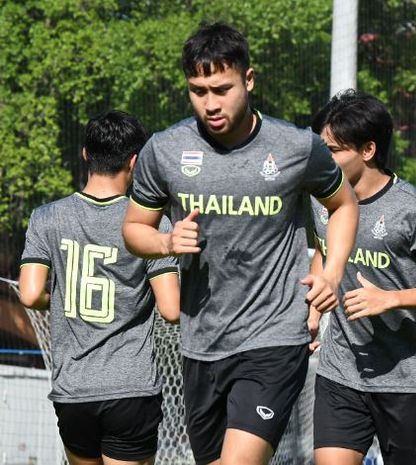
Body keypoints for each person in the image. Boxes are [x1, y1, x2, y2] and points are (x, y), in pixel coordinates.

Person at [121, 23, 358, 465]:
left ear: (248, 80)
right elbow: (134, 228)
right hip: (200, 343)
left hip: (273, 336)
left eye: (221, 88)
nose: (210, 103)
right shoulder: (164, 150)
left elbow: (344, 204)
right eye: (198, 90)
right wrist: (166, 241)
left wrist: (332, 272)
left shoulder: (296, 147)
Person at [309, 89, 416, 465]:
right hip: (341, 371)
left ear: (368, 150)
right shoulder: (319, 202)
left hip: (406, 378)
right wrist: (313, 313)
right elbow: (323, 252)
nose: (322, 159)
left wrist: (391, 298)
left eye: (332, 150)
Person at [18, 110, 180, 465]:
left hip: (73, 390)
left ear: (85, 154)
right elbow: (170, 309)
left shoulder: (46, 217)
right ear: (135, 162)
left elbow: (30, 294)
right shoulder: (152, 224)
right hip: (131, 388)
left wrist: (61, 299)